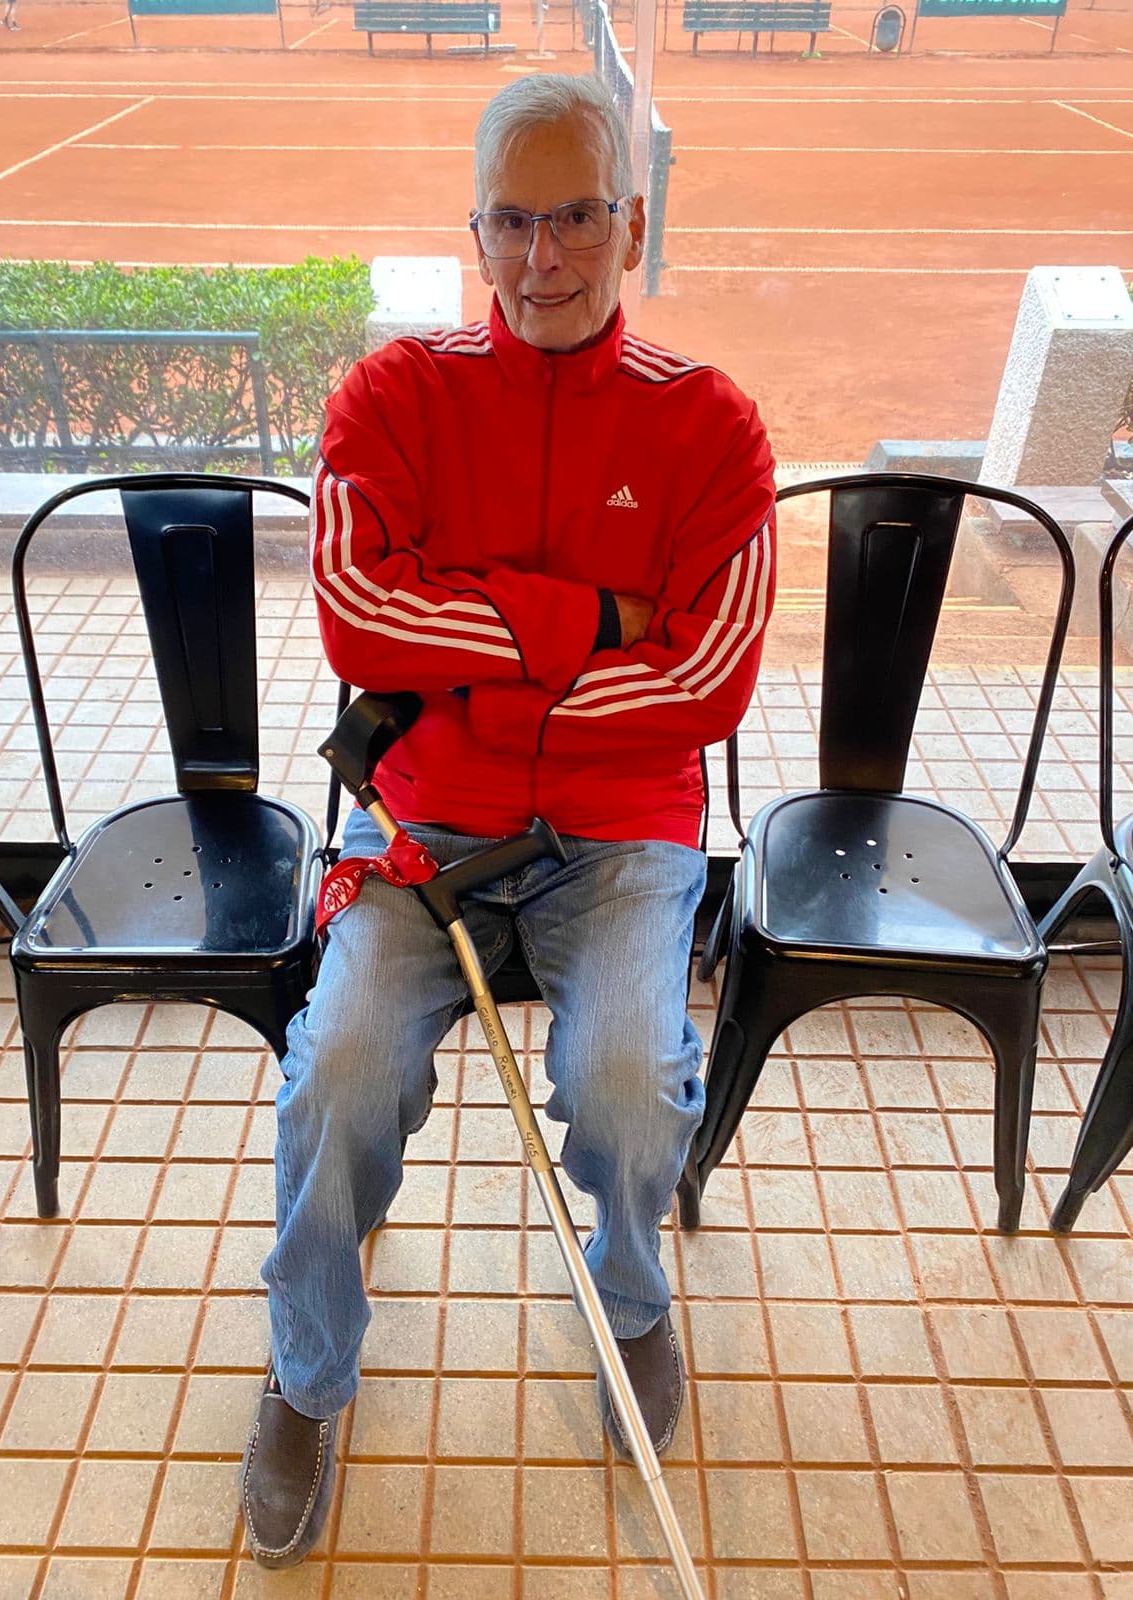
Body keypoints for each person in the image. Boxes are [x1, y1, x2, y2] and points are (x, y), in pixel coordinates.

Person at [240, 71, 776, 1569]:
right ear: (476, 232)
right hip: (421, 834)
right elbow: (358, 616)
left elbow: (711, 679)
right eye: (514, 222)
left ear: (634, 224)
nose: (546, 257)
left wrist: (479, 674)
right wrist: (595, 623)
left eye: (579, 219)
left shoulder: (712, 428)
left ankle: (632, 1303)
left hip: (623, 838)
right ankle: (306, 1373)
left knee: (625, 1088)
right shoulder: (394, 396)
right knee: (333, 1081)